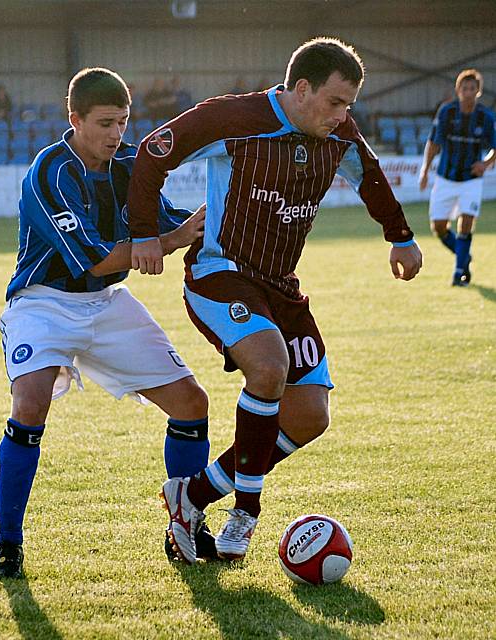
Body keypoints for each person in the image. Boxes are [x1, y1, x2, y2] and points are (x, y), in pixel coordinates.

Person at [129, 37, 422, 563]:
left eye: (349, 106)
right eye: (335, 102)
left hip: (281, 286)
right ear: (302, 88)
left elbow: (371, 176)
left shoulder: (339, 135)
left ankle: (190, 495)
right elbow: (153, 154)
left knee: (310, 415)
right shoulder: (234, 117)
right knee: (268, 367)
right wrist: (146, 233)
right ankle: (245, 512)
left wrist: (399, 235)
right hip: (219, 273)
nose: (342, 115)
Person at [0, 67, 219, 579]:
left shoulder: (130, 163)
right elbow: (93, 257)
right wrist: (172, 240)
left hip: (106, 303)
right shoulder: (50, 170)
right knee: (30, 404)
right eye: (105, 123)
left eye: (123, 121)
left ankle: (185, 524)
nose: (117, 133)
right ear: (75, 120)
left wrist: (214, 223)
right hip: (42, 304)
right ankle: (8, 545)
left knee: (191, 403)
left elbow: (159, 221)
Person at [419, 69, 495, 286]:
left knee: (466, 222)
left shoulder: (486, 117)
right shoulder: (447, 112)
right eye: (464, 88)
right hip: (445, 178)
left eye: (472, 88)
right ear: (458, 90)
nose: (468, 92)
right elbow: (434, 143)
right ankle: (464, 256)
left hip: (471, 180)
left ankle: (459, 272)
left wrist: (485, 163)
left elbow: (495, 147)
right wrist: (425, 171)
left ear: (478, 91)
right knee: (439, 227)